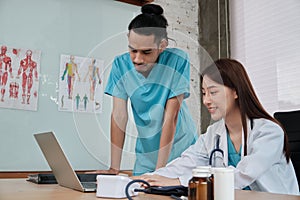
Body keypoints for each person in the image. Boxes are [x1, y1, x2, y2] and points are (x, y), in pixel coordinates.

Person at [133, 58, 299, 195]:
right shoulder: (214, 133)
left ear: (235, 92)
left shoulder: (269, 132)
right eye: (204, 93)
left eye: (213, 92)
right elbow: (186, 162)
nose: (206, 100)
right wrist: (149, 178)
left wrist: (179, 182)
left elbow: (243, 174)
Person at [99, 4, 198, 176]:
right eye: (133, 50)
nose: (137, 59)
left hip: (181, 151)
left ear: (162, 45)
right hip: (146, 154)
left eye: (146, 52)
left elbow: (171, 116)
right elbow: (119, 116)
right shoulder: (120, 65)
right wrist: (114, 168)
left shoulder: (177, 60)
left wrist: (160, 172)